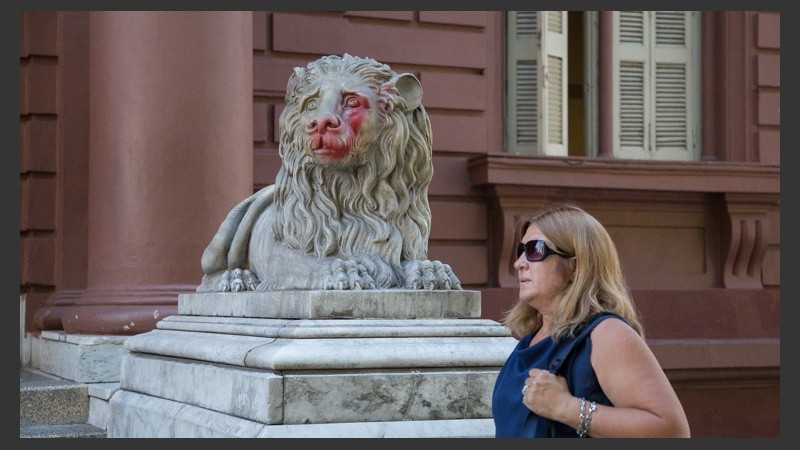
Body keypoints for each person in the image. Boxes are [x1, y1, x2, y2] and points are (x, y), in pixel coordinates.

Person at [491, 202, 690, 438]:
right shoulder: (530, 341)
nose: (519, 263)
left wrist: (567, 408)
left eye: (535, 250)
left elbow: (671, 429)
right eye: (521, 250)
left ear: (575, 266)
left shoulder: (608, 334)